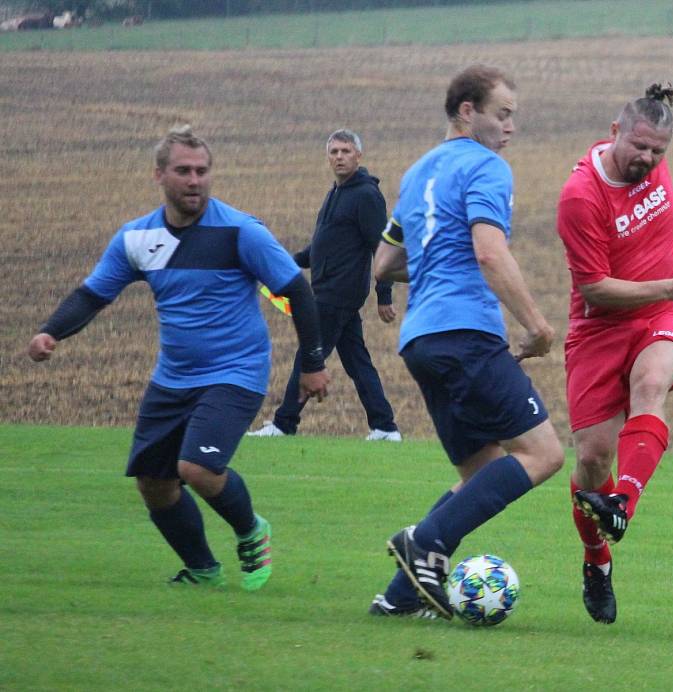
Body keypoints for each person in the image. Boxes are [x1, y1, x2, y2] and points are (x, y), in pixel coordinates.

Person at [28, 125, 331, 590]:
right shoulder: (136, 238)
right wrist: (52, 332)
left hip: (236, 372)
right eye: (184, 171)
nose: (195, 180)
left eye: (202, 171)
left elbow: (297, 291)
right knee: (154, 482)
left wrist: (312, 364)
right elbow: (92, 294)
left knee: (197, 468)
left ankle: (251, 530)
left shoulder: (240, 232)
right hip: (173, 378)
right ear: (159, 175)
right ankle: (203, 569)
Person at [370, 65, 564, 619]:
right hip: (466, 334)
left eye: (513, 117)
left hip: (421, 341)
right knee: (543, 454)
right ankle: (423, 542)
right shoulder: (487, 168)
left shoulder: (417, 174)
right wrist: (536, 326)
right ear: (466, 111)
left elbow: (383, 264)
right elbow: (488, 251)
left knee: (480, 474)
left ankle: (401, 596)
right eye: (501, 114)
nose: (510, 127)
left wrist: (433, 262)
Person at [555, 84, 673, 623]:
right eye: (640, 148)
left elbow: (662, 201)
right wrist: (670, 284)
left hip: (662, 314)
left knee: (651, 387)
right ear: (614, 131)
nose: (647, 159)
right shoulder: (581, 196)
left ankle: (623, 503)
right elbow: (596, 289)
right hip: (600, 327)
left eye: (658, 152)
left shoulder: (651, 166)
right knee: (593, 457)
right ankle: (596, 560)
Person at [249, 129, 401, 442]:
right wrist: (283, 263)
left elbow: (381, 247)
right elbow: (320, 247)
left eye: (346, 151)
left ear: (359, 156)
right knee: (358, 363)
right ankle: (385, 427)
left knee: (309, 356)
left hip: (338, 294)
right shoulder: (336, 192)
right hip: (330, 292)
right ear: (328, 158)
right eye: (334, 152)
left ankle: (284, 423)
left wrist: (383, 295)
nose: (340, 157)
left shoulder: (366, 196)